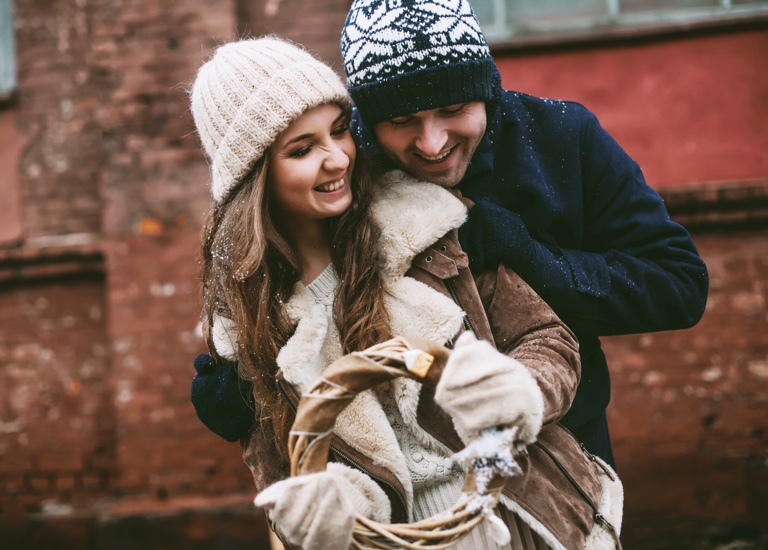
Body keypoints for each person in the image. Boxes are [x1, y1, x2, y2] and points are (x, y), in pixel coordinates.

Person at [189, 37, 622, 550]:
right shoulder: (247, 323)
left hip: (524, 520)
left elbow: (548, 339)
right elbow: (283, 473)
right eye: (303, 150)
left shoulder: (427, 226)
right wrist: (327, 513)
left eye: (337, 131)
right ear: (255, 176)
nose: (336, 159)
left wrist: (516, 390)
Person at [339, 0, 709, 468]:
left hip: (568, 457)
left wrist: (528, 255)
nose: (432, 143)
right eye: (401, 121)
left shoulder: (564, 137)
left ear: (486, 91)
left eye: (453, 108)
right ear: (371, 125)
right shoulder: (347, 167)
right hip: (410, 476)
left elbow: (678, 284)